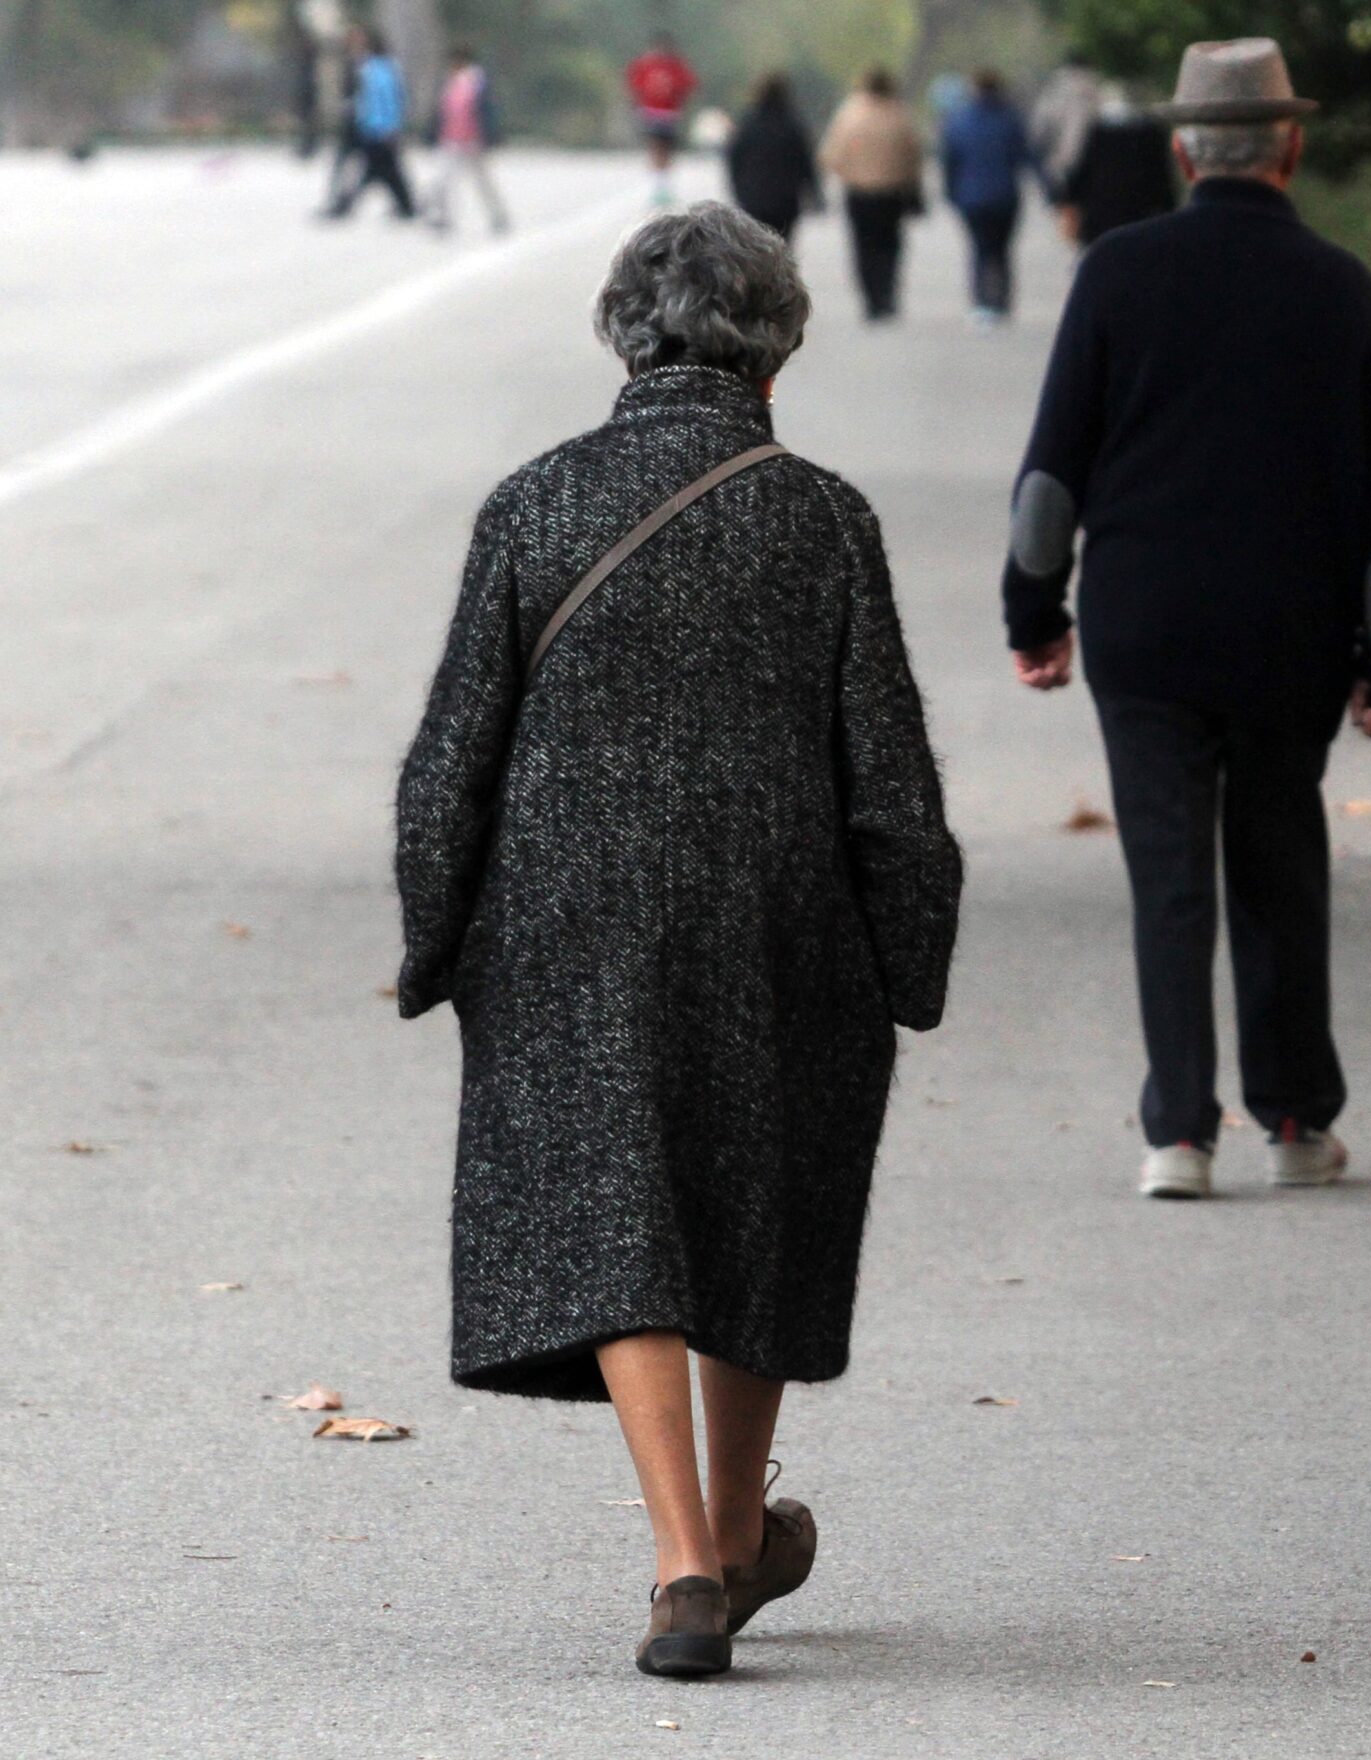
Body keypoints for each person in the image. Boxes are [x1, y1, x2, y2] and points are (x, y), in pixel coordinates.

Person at [395, 202, 962, 1678]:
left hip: (567, 920)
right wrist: (910, 952)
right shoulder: (821, 514)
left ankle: (686, 1565)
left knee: (621, 1219)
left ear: (620, 334)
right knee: (752, 1200)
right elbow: (886, 773)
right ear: (777, 345)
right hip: (780, 920)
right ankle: (729, 1520)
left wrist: (434, 931)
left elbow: (455, 751)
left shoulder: (534, 503)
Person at [1002, 38, 1371, 1200]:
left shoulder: (1117, 272)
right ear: (1290, 145)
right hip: (1290, 629)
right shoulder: (1338, 285)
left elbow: (1052, 476)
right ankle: (1294, 1119)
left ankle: (1179, 1134)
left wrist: (1034, 610)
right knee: (1280, 859)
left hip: (1146, 624)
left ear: (1185, 148)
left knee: (1169, 874)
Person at [820, 67, 927, 321]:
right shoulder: (900, 113)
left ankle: (871, 299)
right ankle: (887, 293)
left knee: (863, 246)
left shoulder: (850, 113)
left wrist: (851, 171)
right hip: (892, 192)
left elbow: (831, 155)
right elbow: (914, 154)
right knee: (890, 245)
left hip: (859, 192)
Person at [939, 69, 1038, 324]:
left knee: (980, 249)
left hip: (971, 198)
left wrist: (950, 192)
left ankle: (982, 302)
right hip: (1005, 196)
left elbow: (950, 160)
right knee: (1002, 250)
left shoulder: (958, 120)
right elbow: (1026, 157)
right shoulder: (1011, 119)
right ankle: (1002, 301)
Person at [1057, 83, 1176, 248]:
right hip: (1140, 220)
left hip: (1101, 223)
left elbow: (1080, 174)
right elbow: (1163, 181)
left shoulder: (1098, 132)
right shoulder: (1150, 133)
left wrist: (1068, 204)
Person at [321, 23, 414, 221]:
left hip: (375, 129)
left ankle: (345, 205)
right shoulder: (374, 68)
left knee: (377, 171)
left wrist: (388, 126)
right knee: (386, 172)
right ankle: (406, 206)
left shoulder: (378, 70)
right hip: (370, 128)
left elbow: (386, 102)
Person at [723, 73, 820, 244]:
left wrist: (738, 191)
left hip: (754, 200)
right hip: (786, 202)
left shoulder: (748, 124)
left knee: (756, 249)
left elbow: (733, 159)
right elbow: (806, 162)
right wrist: (814, 192)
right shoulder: (792, 124)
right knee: (783, 248)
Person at [424, 44, 509, 236]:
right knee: (443, 179)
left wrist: (490, 135)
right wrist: (432, 134)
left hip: (474, 140)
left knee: (483, 181)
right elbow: (440, 111)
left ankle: (497, 215)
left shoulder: (478, 81)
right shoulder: (448, 82)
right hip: (450, 139)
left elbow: (487, 111)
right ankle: (443, 217)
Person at [627, 32, 698, 205]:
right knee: (655, 148)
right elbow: (633, 85)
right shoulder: (644, 65)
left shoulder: (676, 66)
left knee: (667, 151)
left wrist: (680, 102)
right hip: (651, 113)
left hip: (670, 115)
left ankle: (665, 187)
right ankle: (657, 187)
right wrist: (637, 105)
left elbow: (689, 85)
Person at [1027, 50, 1103, 193]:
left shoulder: (1056, 89)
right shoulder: (1096, 89)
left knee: (1066, 206)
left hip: (1061, 163)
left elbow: (1040, 127)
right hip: (1094, 163)